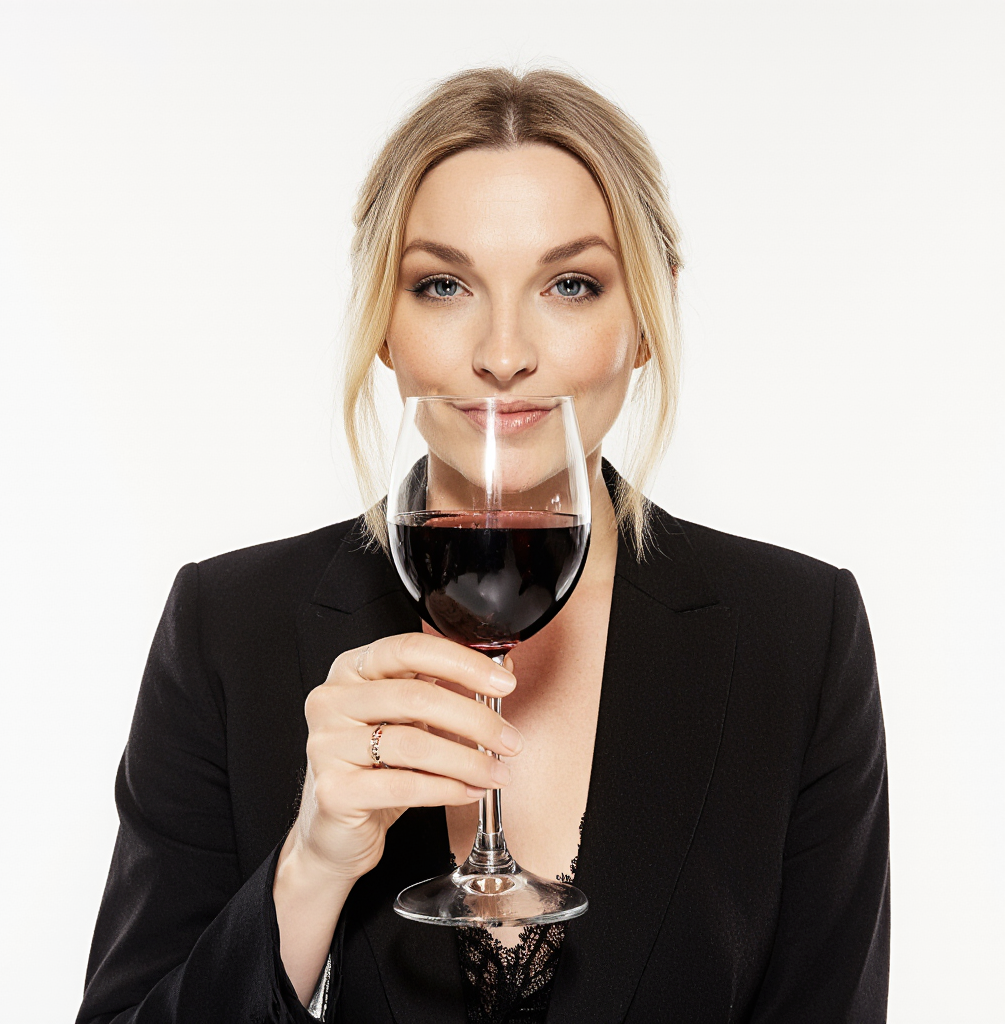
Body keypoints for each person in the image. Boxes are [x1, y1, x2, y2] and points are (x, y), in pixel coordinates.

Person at [77, 67, 890, 1024]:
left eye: (571, 283)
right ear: (385, 321)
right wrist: (312, 867)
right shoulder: (226, 626)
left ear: (644, 323)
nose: (504, 353)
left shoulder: (797, 634)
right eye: (444, 284)